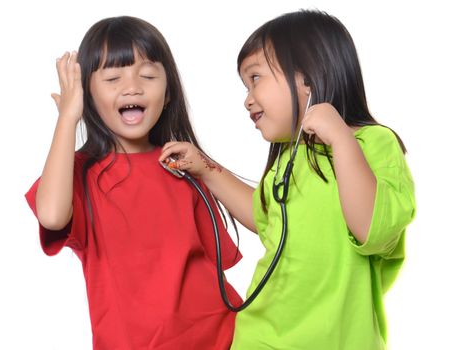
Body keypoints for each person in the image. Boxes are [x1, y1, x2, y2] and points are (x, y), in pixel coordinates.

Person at [159, 9, 416, 349]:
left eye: (255, 78)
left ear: (308, 76)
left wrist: (341, 139)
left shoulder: (374, 144)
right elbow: (263, 217)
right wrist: (205, 167)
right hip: (263, 335)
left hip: (338, 340)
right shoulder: (287, 157)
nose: (247, 98)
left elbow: (371, 229)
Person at [25, 16, 242, 350]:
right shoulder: (81, 174)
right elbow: (52, 215)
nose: (132, 87)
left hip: (224, 338)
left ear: (168, 93)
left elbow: (214, 265)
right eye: (113, 77)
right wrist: (68, 116)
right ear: (88, 96)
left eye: (148, 75)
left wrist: (206, 169)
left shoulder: (181, 165)